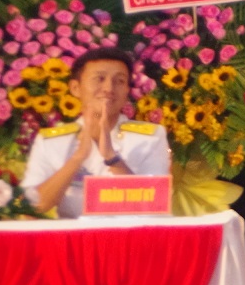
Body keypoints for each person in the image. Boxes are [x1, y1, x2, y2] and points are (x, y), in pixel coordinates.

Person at [22, 47, 169, 217]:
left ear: (127, 91)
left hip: (127, 232)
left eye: (120, 81)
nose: (109, 88)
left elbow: (154, 207)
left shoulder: (150, 138)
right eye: (99, 78)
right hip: (73, 233)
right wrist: (78, 157)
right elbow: (31, 206)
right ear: (75, 88)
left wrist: (111, 158)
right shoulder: (50, 141)